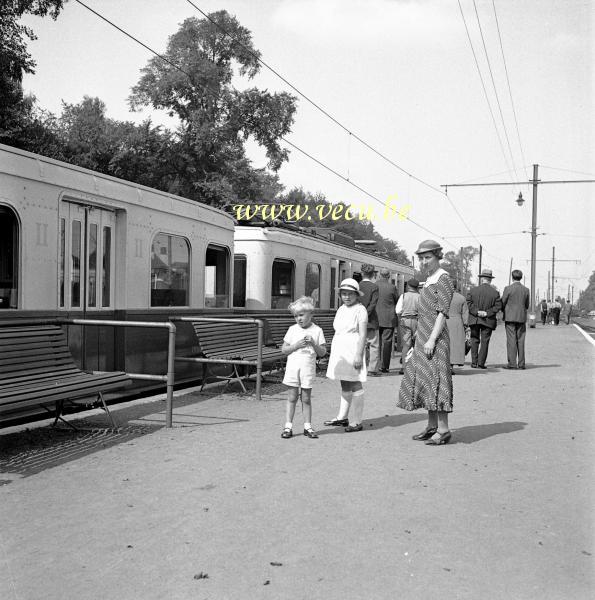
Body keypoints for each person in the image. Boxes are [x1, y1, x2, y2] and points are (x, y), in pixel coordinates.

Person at [397, 240, 454, 446]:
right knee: (426, 379)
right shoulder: (429, 279)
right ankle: (432, 426)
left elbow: (442, 313)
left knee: (437, 380)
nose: (424, 262)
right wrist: (418, 339)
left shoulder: (444, 278)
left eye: (428, 257)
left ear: (438, 256)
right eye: (421, 258)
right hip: (422, 336)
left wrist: (431, 339)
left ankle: (444, 429)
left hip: (435, 338)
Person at [324, 278, 368, 432]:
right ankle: (342, 417)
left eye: (350, 294)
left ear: (356, 295)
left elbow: (363, 335)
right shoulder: (341, 309)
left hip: (353, 349)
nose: (347, 297)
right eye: (343, 294)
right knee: (344, 382)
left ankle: (357, 421)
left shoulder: (360, 310)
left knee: (355, 382)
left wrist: (358, 355)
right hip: (340, 350)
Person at [280, 296, 327, 439]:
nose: (298, 319)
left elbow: (322, 352)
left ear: (310, 314)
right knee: (292, 397)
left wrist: (313, 343)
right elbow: (284, 350)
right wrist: (295, 346)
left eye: (301, 315)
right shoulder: (292, 330)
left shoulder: (317, 330)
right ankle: (288, 426)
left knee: (306, 398)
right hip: (293, 368)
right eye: (295, 316)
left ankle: (308, 426)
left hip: (307, 368)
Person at [466, 269, 502, 369]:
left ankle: (474, 362)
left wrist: (477, 312)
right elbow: (498, 306)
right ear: (490, 280)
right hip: (488, 320)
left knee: (474, 340)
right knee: (485, 341)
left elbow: (468, 303)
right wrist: (487, 313)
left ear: (482, 278)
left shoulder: (473, 291)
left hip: (475, 319)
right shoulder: (495, 293)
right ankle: (481, 363)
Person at [501, 269, 530, 370]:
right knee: (521, 340)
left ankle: (512, 364)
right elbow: (527, 305)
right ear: (521, 277)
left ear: (512, 277)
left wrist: (503, 310)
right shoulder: (526, 290)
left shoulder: (508, 288)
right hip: (521, 317)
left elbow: (503, 302)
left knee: (511, 341)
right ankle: (521, 364)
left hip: (510, 317)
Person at [375, 267, 399, 373]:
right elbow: (397, 301)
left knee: (376, 342)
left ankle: (376, 364)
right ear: (389, 276)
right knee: (387, 342)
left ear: (379, 275)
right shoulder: (392, 287)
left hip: (375, 318)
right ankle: (384, 366)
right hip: (389, 319)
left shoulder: (374, 285)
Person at [395, 277, 420, 374]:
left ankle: (404, 367)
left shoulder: (403, 296)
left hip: (405, 321)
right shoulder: (420, 297)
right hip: (417, 321)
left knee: (406, 344)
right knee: (417, 344)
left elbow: (398, 310)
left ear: (408, 286)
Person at [359, 264, 380, 376]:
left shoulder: (357, 286)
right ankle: (372, 369)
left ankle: (360, 366)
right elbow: (373, 304)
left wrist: (360, 316)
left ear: (362, 273)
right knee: (374, 345)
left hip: (358, 321)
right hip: (371, 320)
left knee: (360, 344)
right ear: (373, 274)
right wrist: (366, 314)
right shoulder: (374, 287)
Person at [447, 279, 469, 373]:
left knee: (444, 344)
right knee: (454, 345)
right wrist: (466, 326)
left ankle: (443, 366)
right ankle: (451, 367)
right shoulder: (461, 298)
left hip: (443, 321)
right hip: (457, 322)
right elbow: (465, 314)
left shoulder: (442, 297)